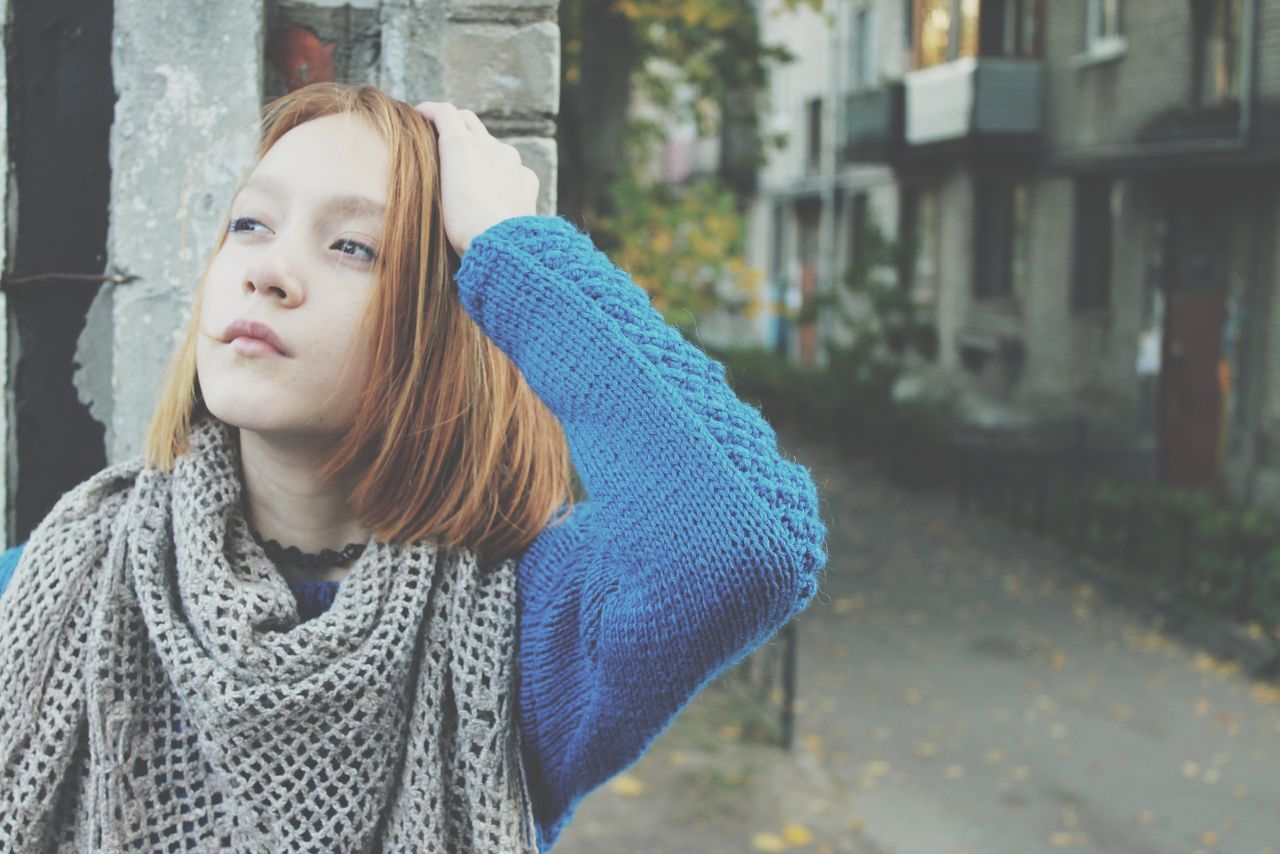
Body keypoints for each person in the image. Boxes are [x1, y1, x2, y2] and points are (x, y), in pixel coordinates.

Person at [0, 82, 828, 852]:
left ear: (447, 323)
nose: (267, 271)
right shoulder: (44, 592)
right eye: (251, 224)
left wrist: (511, 249)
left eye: (353, 246)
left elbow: (745, 539)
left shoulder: (524, 635)